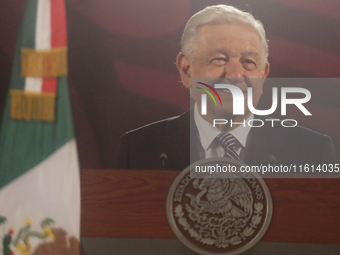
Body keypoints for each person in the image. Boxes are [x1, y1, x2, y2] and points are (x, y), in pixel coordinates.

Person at [114, 5, 335, 170]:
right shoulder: (139, 148)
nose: (235, 75)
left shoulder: (313, 152)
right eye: (219, 59)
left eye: (248, 62)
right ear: (186, 68)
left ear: (263, 74)